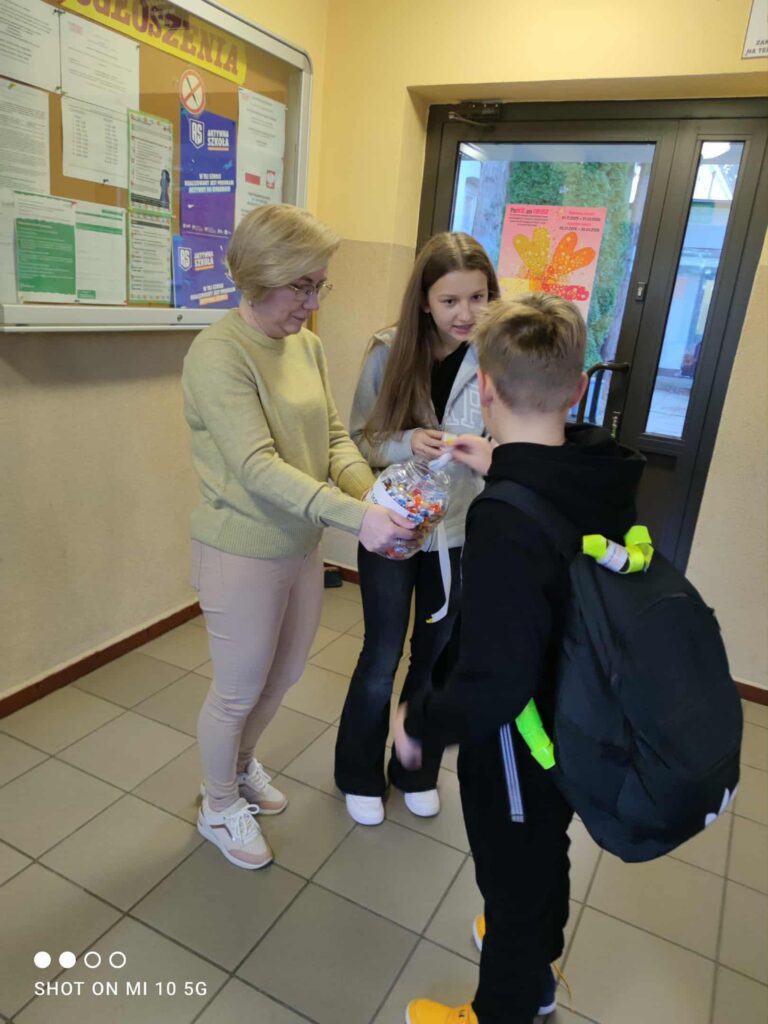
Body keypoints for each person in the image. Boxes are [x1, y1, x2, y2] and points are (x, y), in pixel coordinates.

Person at [394, 294, 644, 1023]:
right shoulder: (601, 472)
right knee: (543, 848)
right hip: (580, 714)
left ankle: (508, 999)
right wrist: (503, 463)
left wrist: (421, 723)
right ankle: (533, 952)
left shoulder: (505, 516)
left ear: (486, 389)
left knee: (510, 871)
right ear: (577, 388)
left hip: (519, 737)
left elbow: (495, 680)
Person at [182, 204, 415, 870]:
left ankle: (240, 767)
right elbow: (258, 468)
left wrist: (370, 494)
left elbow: (335, 438)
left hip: (299, 545)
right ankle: (217, 805)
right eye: (302, 287)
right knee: (237, 690)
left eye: (320, 286)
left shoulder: (305, 346)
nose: (314, 304)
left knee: (282, 674)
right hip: (239, 550)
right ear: (260, 277)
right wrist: (358, 519)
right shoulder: (218, 355)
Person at [335, 232, 500, 826]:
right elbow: (359, 440)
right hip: (393, 528)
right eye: (450, 300)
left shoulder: (497, 355)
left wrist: (488, 452)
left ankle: (417, 770)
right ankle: (359, 774)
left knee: (435, 656)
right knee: (381, 655)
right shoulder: (389, 350)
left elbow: (513, 440)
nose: (466, 313)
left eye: (478, 297)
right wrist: (408, 442)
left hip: (458, 534)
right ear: (424, 302)